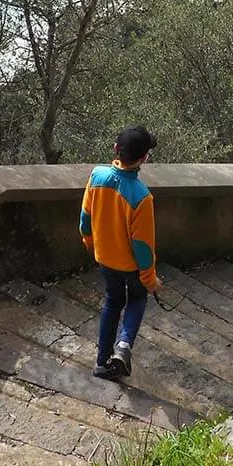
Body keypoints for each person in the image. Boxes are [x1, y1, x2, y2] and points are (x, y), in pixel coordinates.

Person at [80, 125, 164, 380]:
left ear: (116, 149)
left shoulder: (97, 177)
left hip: (105, 258)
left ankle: (102, 362)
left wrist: (90, 244)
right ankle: (123, 346)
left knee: (112, 302)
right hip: (131, 267)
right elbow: (142, 247)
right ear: (144, 158)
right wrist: (151, 280)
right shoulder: (141, 197)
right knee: (137, 300)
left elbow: (85, 219)